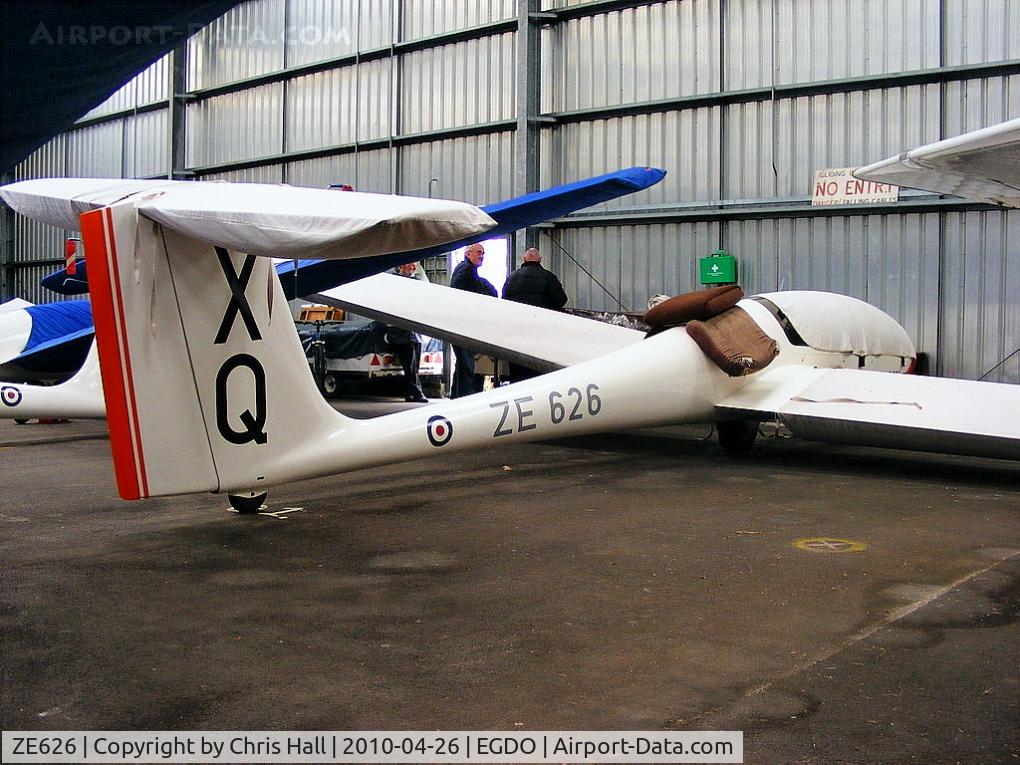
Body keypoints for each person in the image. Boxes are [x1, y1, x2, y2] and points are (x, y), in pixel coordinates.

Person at [501, 247, 568, 381]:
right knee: (539, 369)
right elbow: (561, 300)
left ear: (524, 259)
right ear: (540, 260)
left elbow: (504, 302)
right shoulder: (549, 277)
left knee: (518, 369)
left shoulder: (511, 278)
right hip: (542, 331)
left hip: (517, 332)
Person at [449, 243, 497, 397]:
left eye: (483, 253)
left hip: (458, 324)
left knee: (462, 364)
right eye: (478, 252)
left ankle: (456, 397)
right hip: (463, 325)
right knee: (467, 366)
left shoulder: (465, 270)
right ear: (467, 254)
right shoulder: (467, 270)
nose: (481, 255)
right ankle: (465, 398)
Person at [386, 263, 428, 403]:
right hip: (400, 331)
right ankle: (417, 393)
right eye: (412, 265)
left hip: (414, 332)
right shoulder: (392, 282)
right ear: (403, 265)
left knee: (414, 366)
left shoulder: (418, 281)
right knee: (409, 365)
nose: (414, 268)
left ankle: (409, 393)